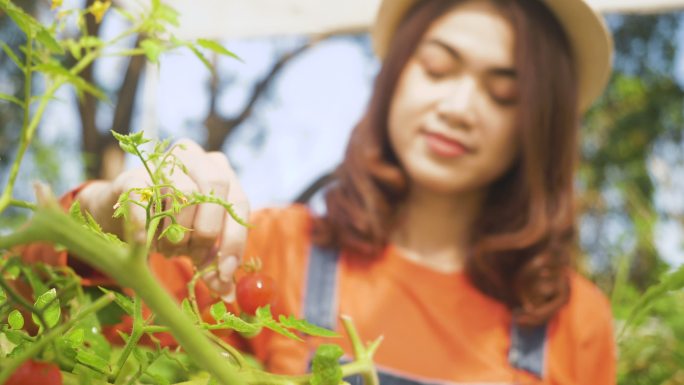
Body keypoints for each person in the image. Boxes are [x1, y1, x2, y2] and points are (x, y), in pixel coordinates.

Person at [48, 0, 617, 383]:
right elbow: (56, 296)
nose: (459, 108)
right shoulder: (273, 250)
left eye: (503, 95)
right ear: (395, 77)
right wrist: (111, 211)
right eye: (439, 69)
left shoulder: (573, 321)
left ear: (537, 126)